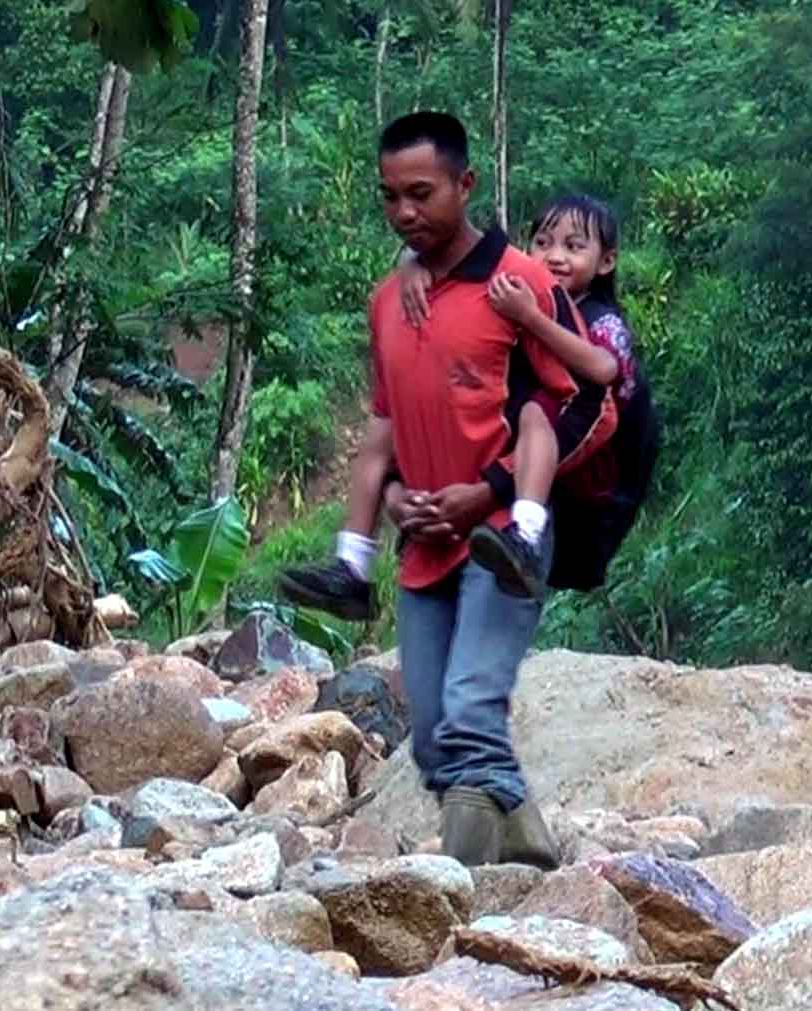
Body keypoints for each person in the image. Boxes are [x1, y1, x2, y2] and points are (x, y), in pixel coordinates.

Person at [284, 110, 570, 867]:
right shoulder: (389, 299)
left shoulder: (523, 283)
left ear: (465, 184)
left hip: (500, 540)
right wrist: (394, 499)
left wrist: (492, 491)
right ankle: (532, 848)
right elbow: (393, 422)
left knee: (473, 714)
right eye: (390, 197)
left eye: (421, 193)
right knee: (433, 741)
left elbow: (577, 411)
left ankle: (456, 909)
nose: (405, 212)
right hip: (423, 548)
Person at [277, 207, 618, 618]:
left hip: (565, 472)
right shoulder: (517, 289)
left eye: (573, 246)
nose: (554, 256)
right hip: (482, 470)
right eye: (542, 243)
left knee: (533, 415)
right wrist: (412, 263)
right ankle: (353, 562)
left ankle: (525, 535)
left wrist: (529, 315)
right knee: (380, 431)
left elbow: (603, 372)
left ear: (607, 260)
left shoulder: (596, 319)